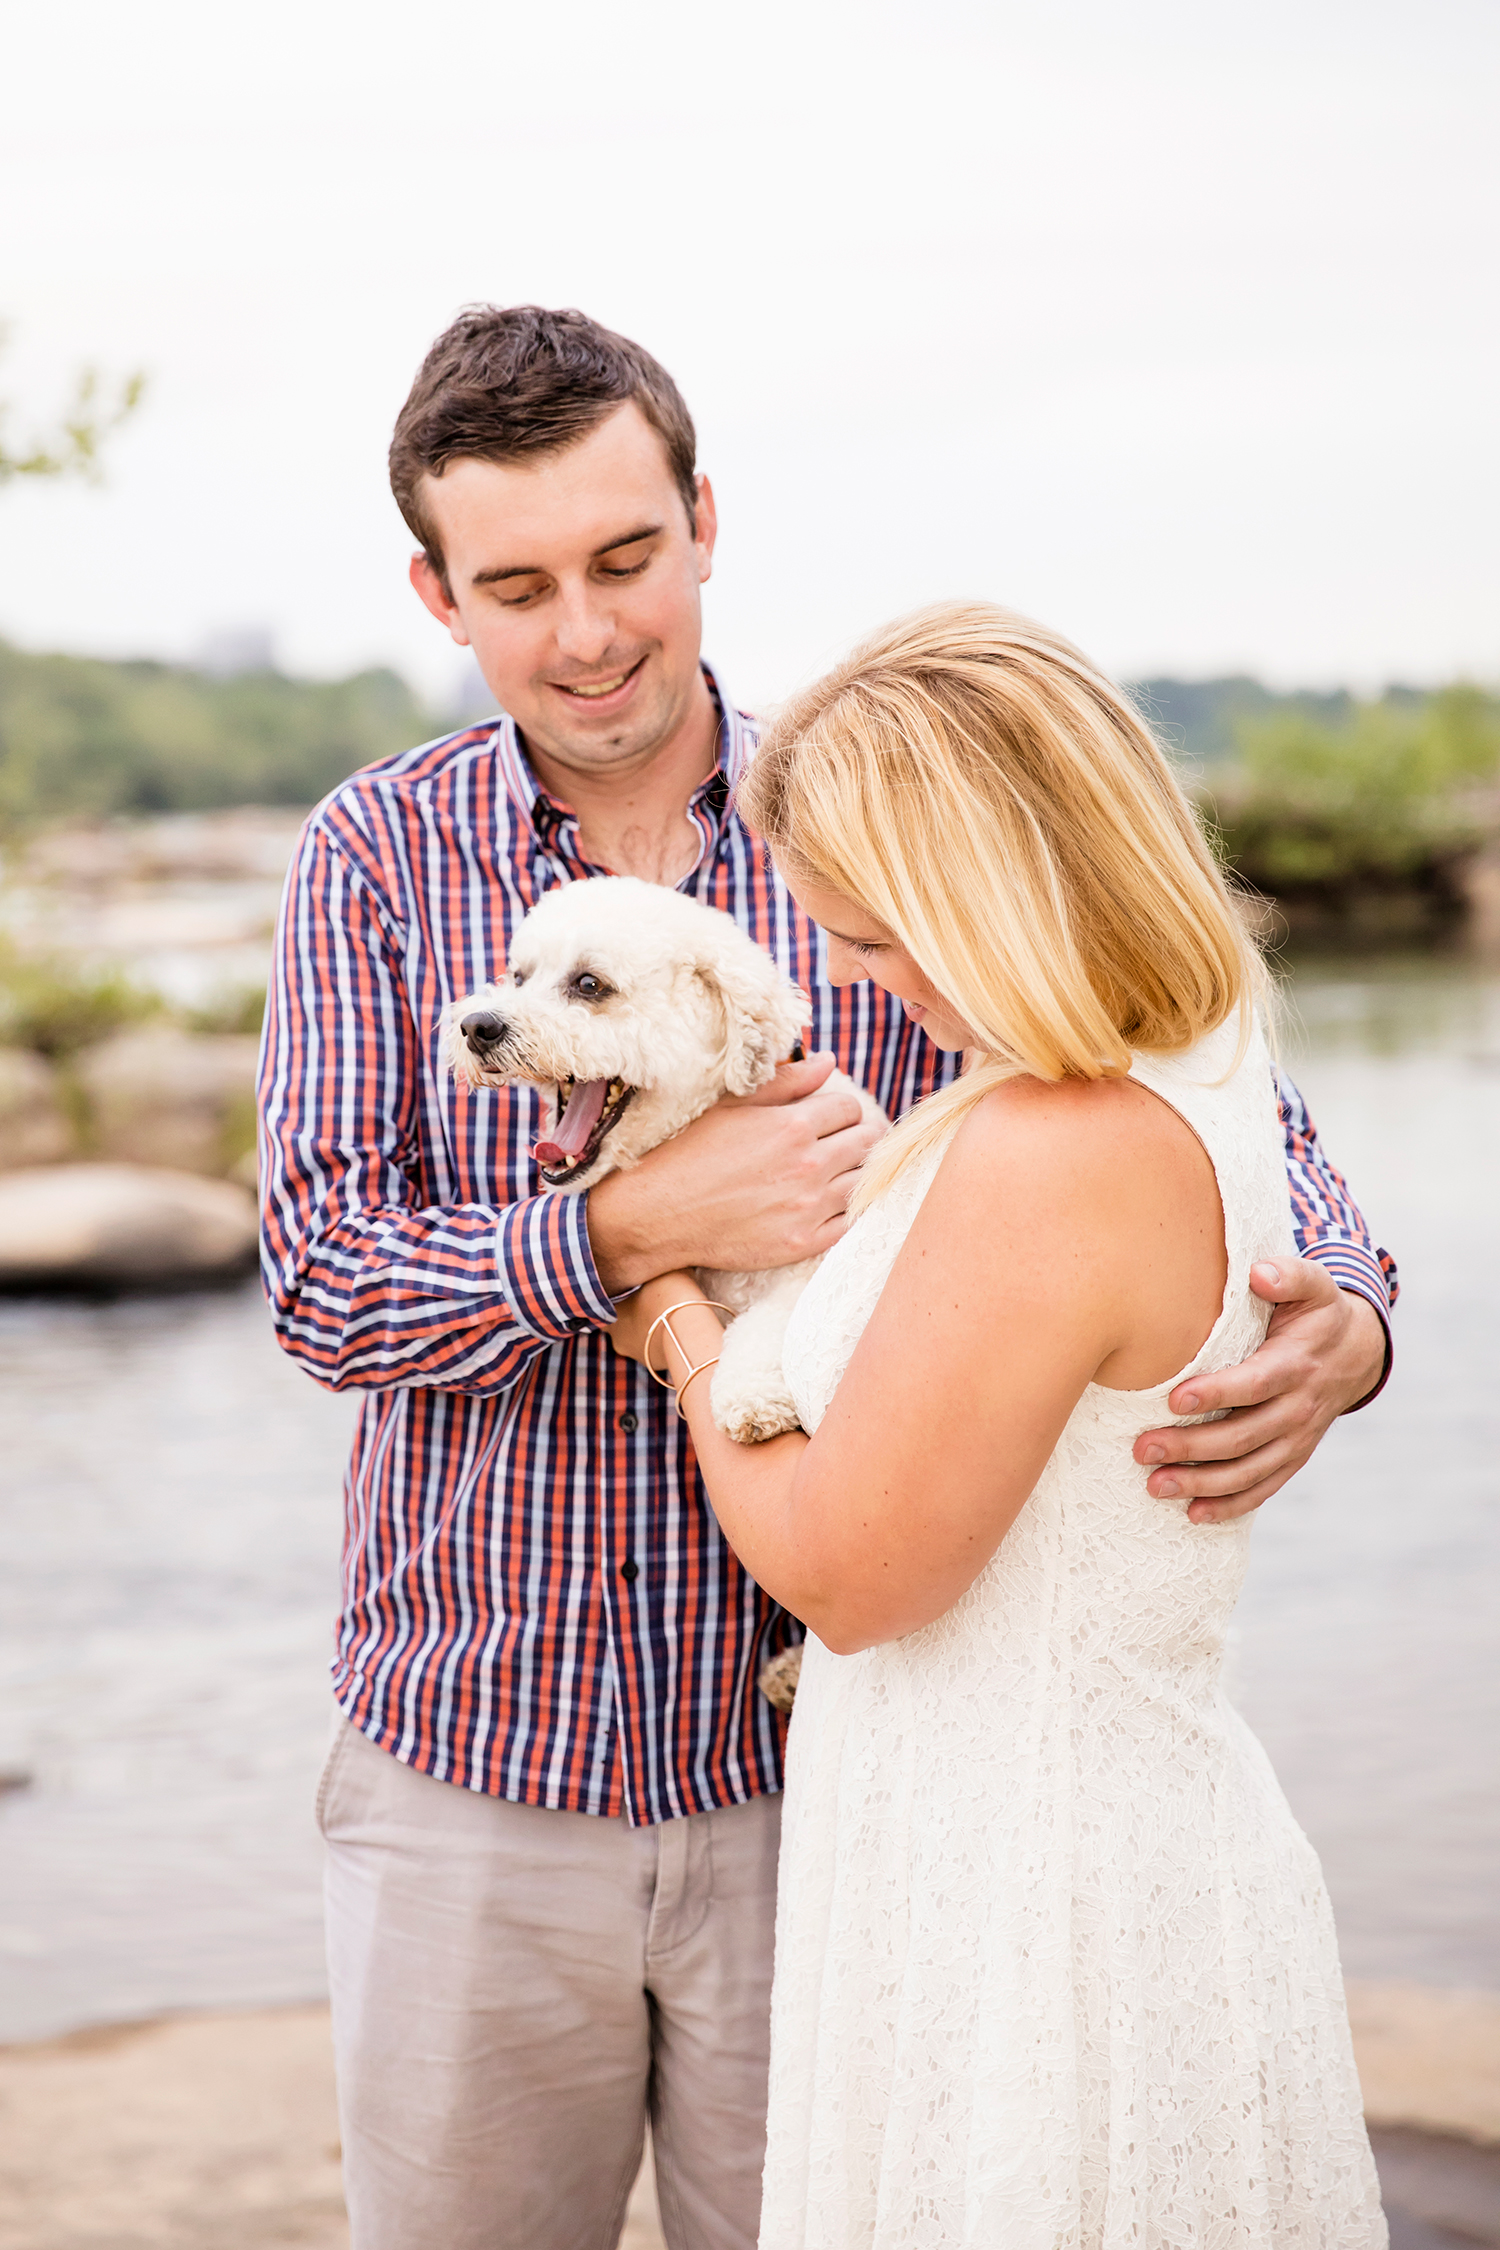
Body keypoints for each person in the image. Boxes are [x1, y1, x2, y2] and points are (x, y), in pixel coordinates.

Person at [257, 307, 1396, 2250]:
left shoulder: (876, 808)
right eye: (517, 588)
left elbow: (1228, 1115)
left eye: (626, 557)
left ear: (704, 521)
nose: (587, 631)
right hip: (476, 1766)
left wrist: (1349, 1324)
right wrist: (628, 1235)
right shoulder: (373, 853)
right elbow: (319, 1284)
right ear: (438, 593)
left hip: (834, 1778)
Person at [608, 601, 1387, 2248]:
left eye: (878, 939)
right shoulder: (1174, 1070)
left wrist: (673, 1314)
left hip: (1042, 1889)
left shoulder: (1056, 1148)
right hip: (1016, 1834)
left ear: (1001, 896)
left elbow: (847, 1571)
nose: (847, 975)